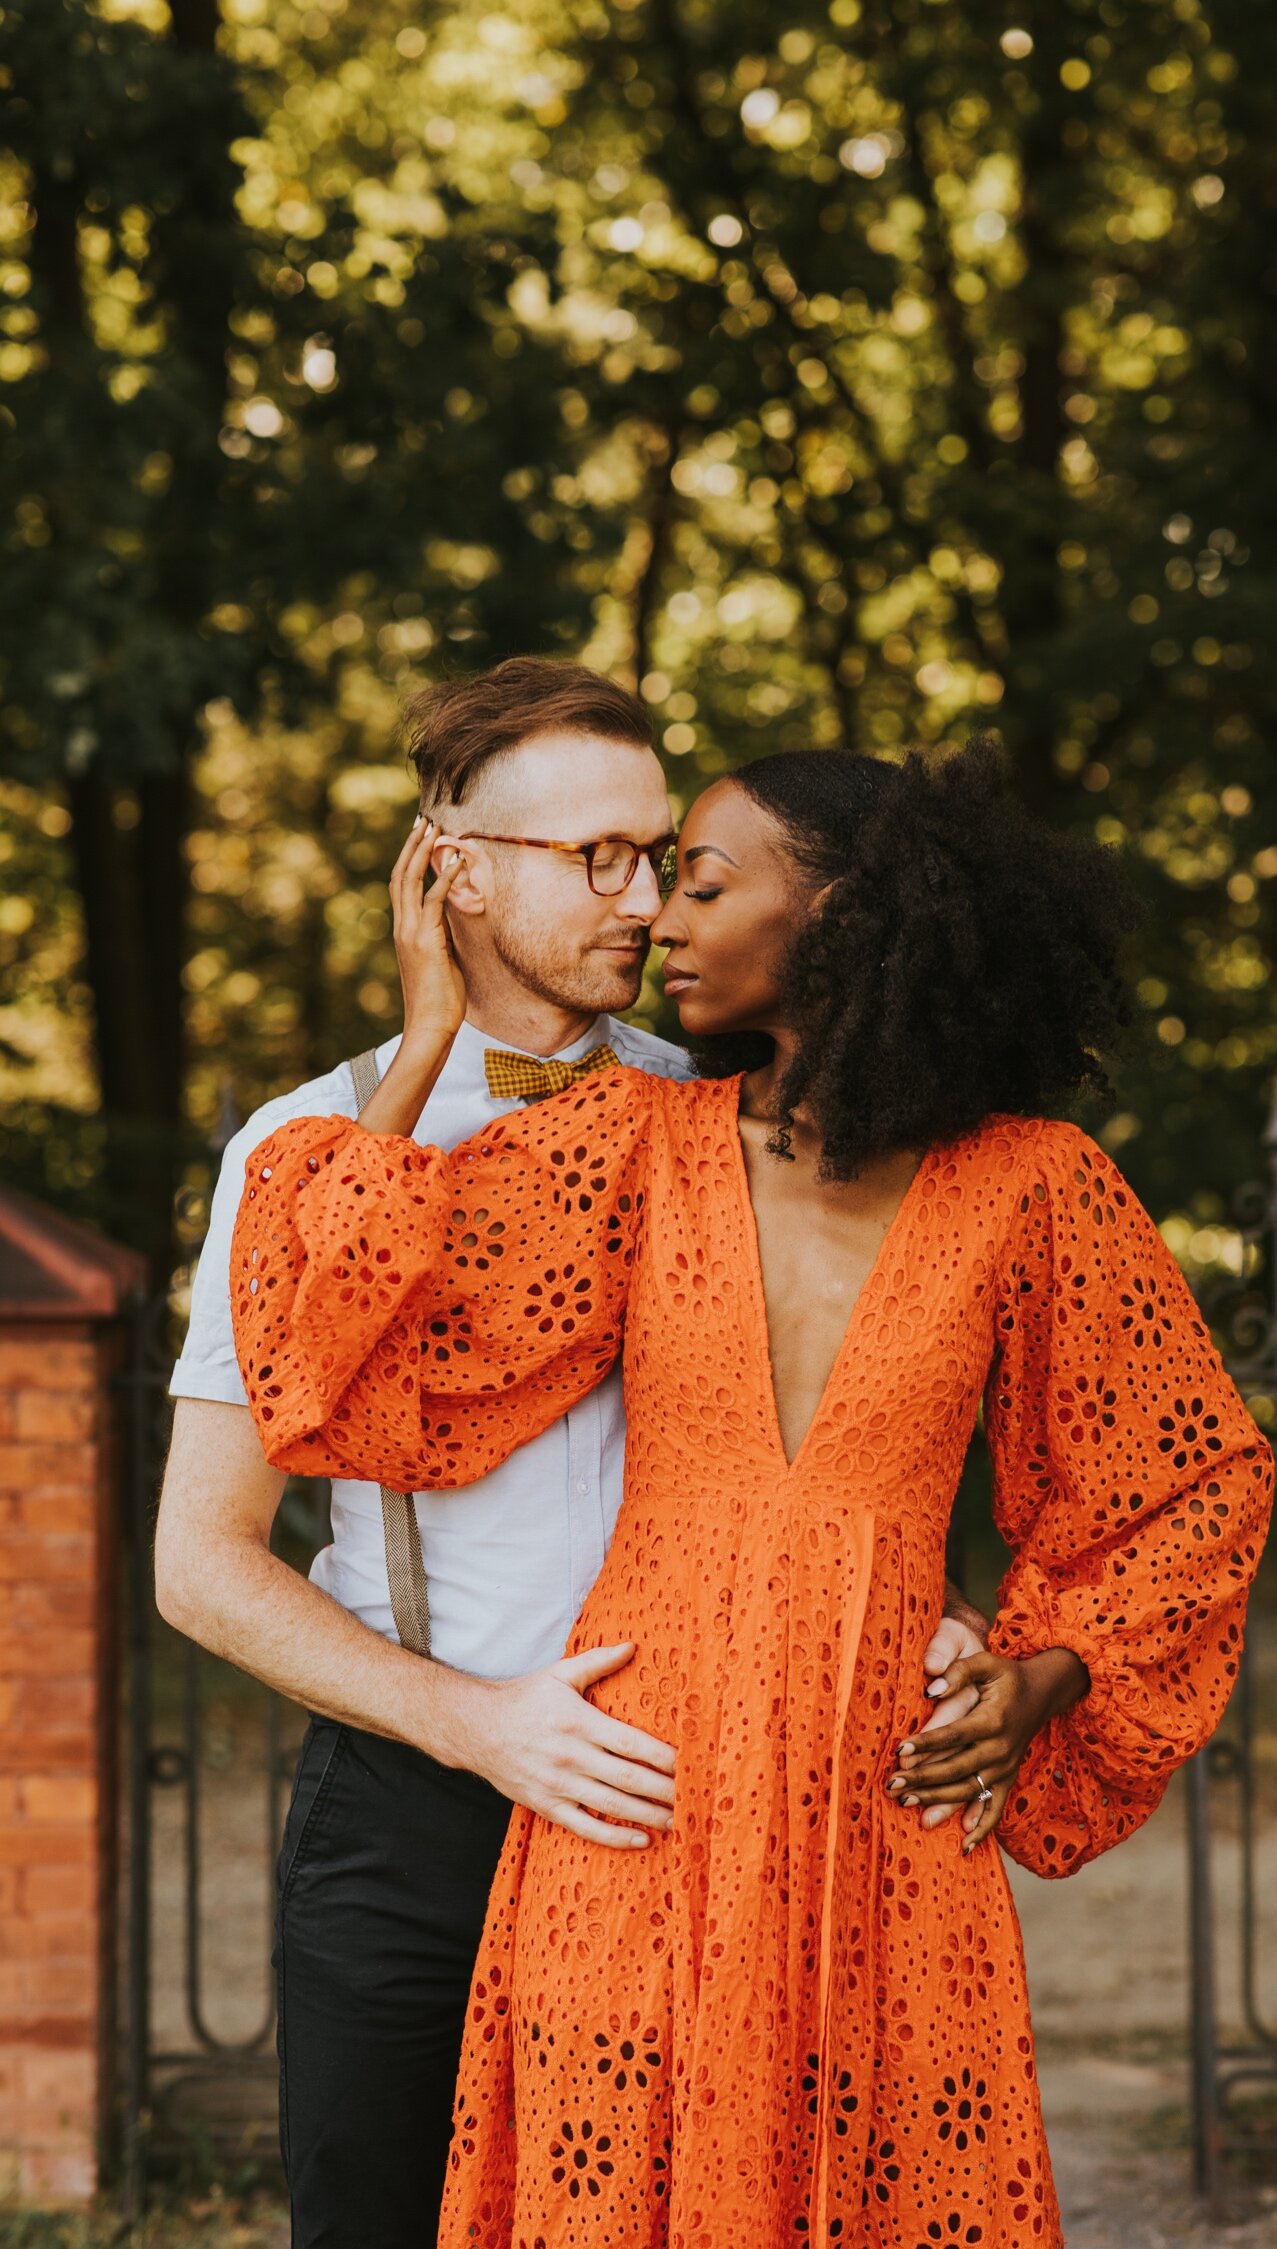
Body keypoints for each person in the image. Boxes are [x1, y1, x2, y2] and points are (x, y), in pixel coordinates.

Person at [229, 737, 1275, 2249]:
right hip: (630, 1790)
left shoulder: (1038, 1187)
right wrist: (423, 1039)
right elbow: (331, 1330)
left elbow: (1188, 1485)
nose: (660, 918)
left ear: (840, 916)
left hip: (887, 1805)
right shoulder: (630, 1146)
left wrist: (1044, 1672)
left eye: (704, 882)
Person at [156, 657, 995, 2248]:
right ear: (453, 868)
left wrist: (924, 1600)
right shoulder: (311, 1144)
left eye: (661, 853)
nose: (643, 898)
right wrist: (480, 1727)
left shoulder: (731, 1112)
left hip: (702, 1812)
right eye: (593, 857)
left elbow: (871, 1395)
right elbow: (200, 1562)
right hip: (417, 1814)